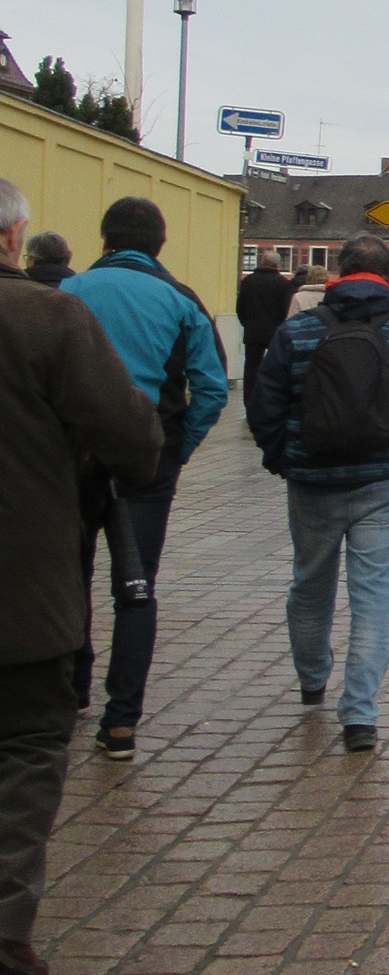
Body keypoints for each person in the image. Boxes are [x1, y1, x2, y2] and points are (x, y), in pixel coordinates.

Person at [0, 180, 163, 975]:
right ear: (14, 237)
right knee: (29, 745)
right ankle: (4, 930)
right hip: (24, 583)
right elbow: (132, 436)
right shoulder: (48, 318)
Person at [248, 232, 389, 752]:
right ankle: (360, 715)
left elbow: (264, 404)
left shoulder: (298, 330)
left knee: (310, 584)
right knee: (373, 599)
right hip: (386, 484)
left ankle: (311, 680)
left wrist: (282, 459)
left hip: (312, 481)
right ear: (388, 278)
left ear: (339, 273)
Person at [65, 198, 229, 761]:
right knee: (136, 587)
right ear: (160, 245)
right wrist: (178, 449)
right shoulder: (182, 300)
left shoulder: (67, 293)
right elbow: (212, 389)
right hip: (147, 461)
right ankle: (120, 724)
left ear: (105, 240)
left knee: (71, 575)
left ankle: (72, 690)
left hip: (75, 459)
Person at [236, 250, 298, 403]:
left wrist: (247, 324)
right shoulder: (284, 284)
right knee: (275, 368)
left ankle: (249, 401)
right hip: (275, 333)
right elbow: (286, 310)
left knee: (251, 368)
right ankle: (271, 400)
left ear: (262, 262)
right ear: (277, 265)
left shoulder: (248, 282)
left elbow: (240, 308)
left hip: (253, 332)